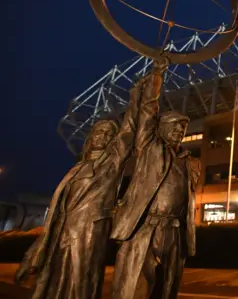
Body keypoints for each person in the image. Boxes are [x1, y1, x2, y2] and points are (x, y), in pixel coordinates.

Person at [15, 75, 147, 299]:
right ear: (90, 137)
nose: (102, 136)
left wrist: (138, 96)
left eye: (108, 133)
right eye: (98, 132)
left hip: (90, 229)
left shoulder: (112, 163)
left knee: (82, 279)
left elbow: (129, 129)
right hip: (63, 231)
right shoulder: (75, 170)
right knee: (56, 278)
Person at [111, 58, 202, 299]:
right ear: (160, 129)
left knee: (167, 287)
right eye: (173, 127)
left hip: (174, 232)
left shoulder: (189, 162)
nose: (179, 132)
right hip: (146, 228)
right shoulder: (150, 148)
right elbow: (148, 111)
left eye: (182, 130)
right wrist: (156, 78)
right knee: (138, 286)